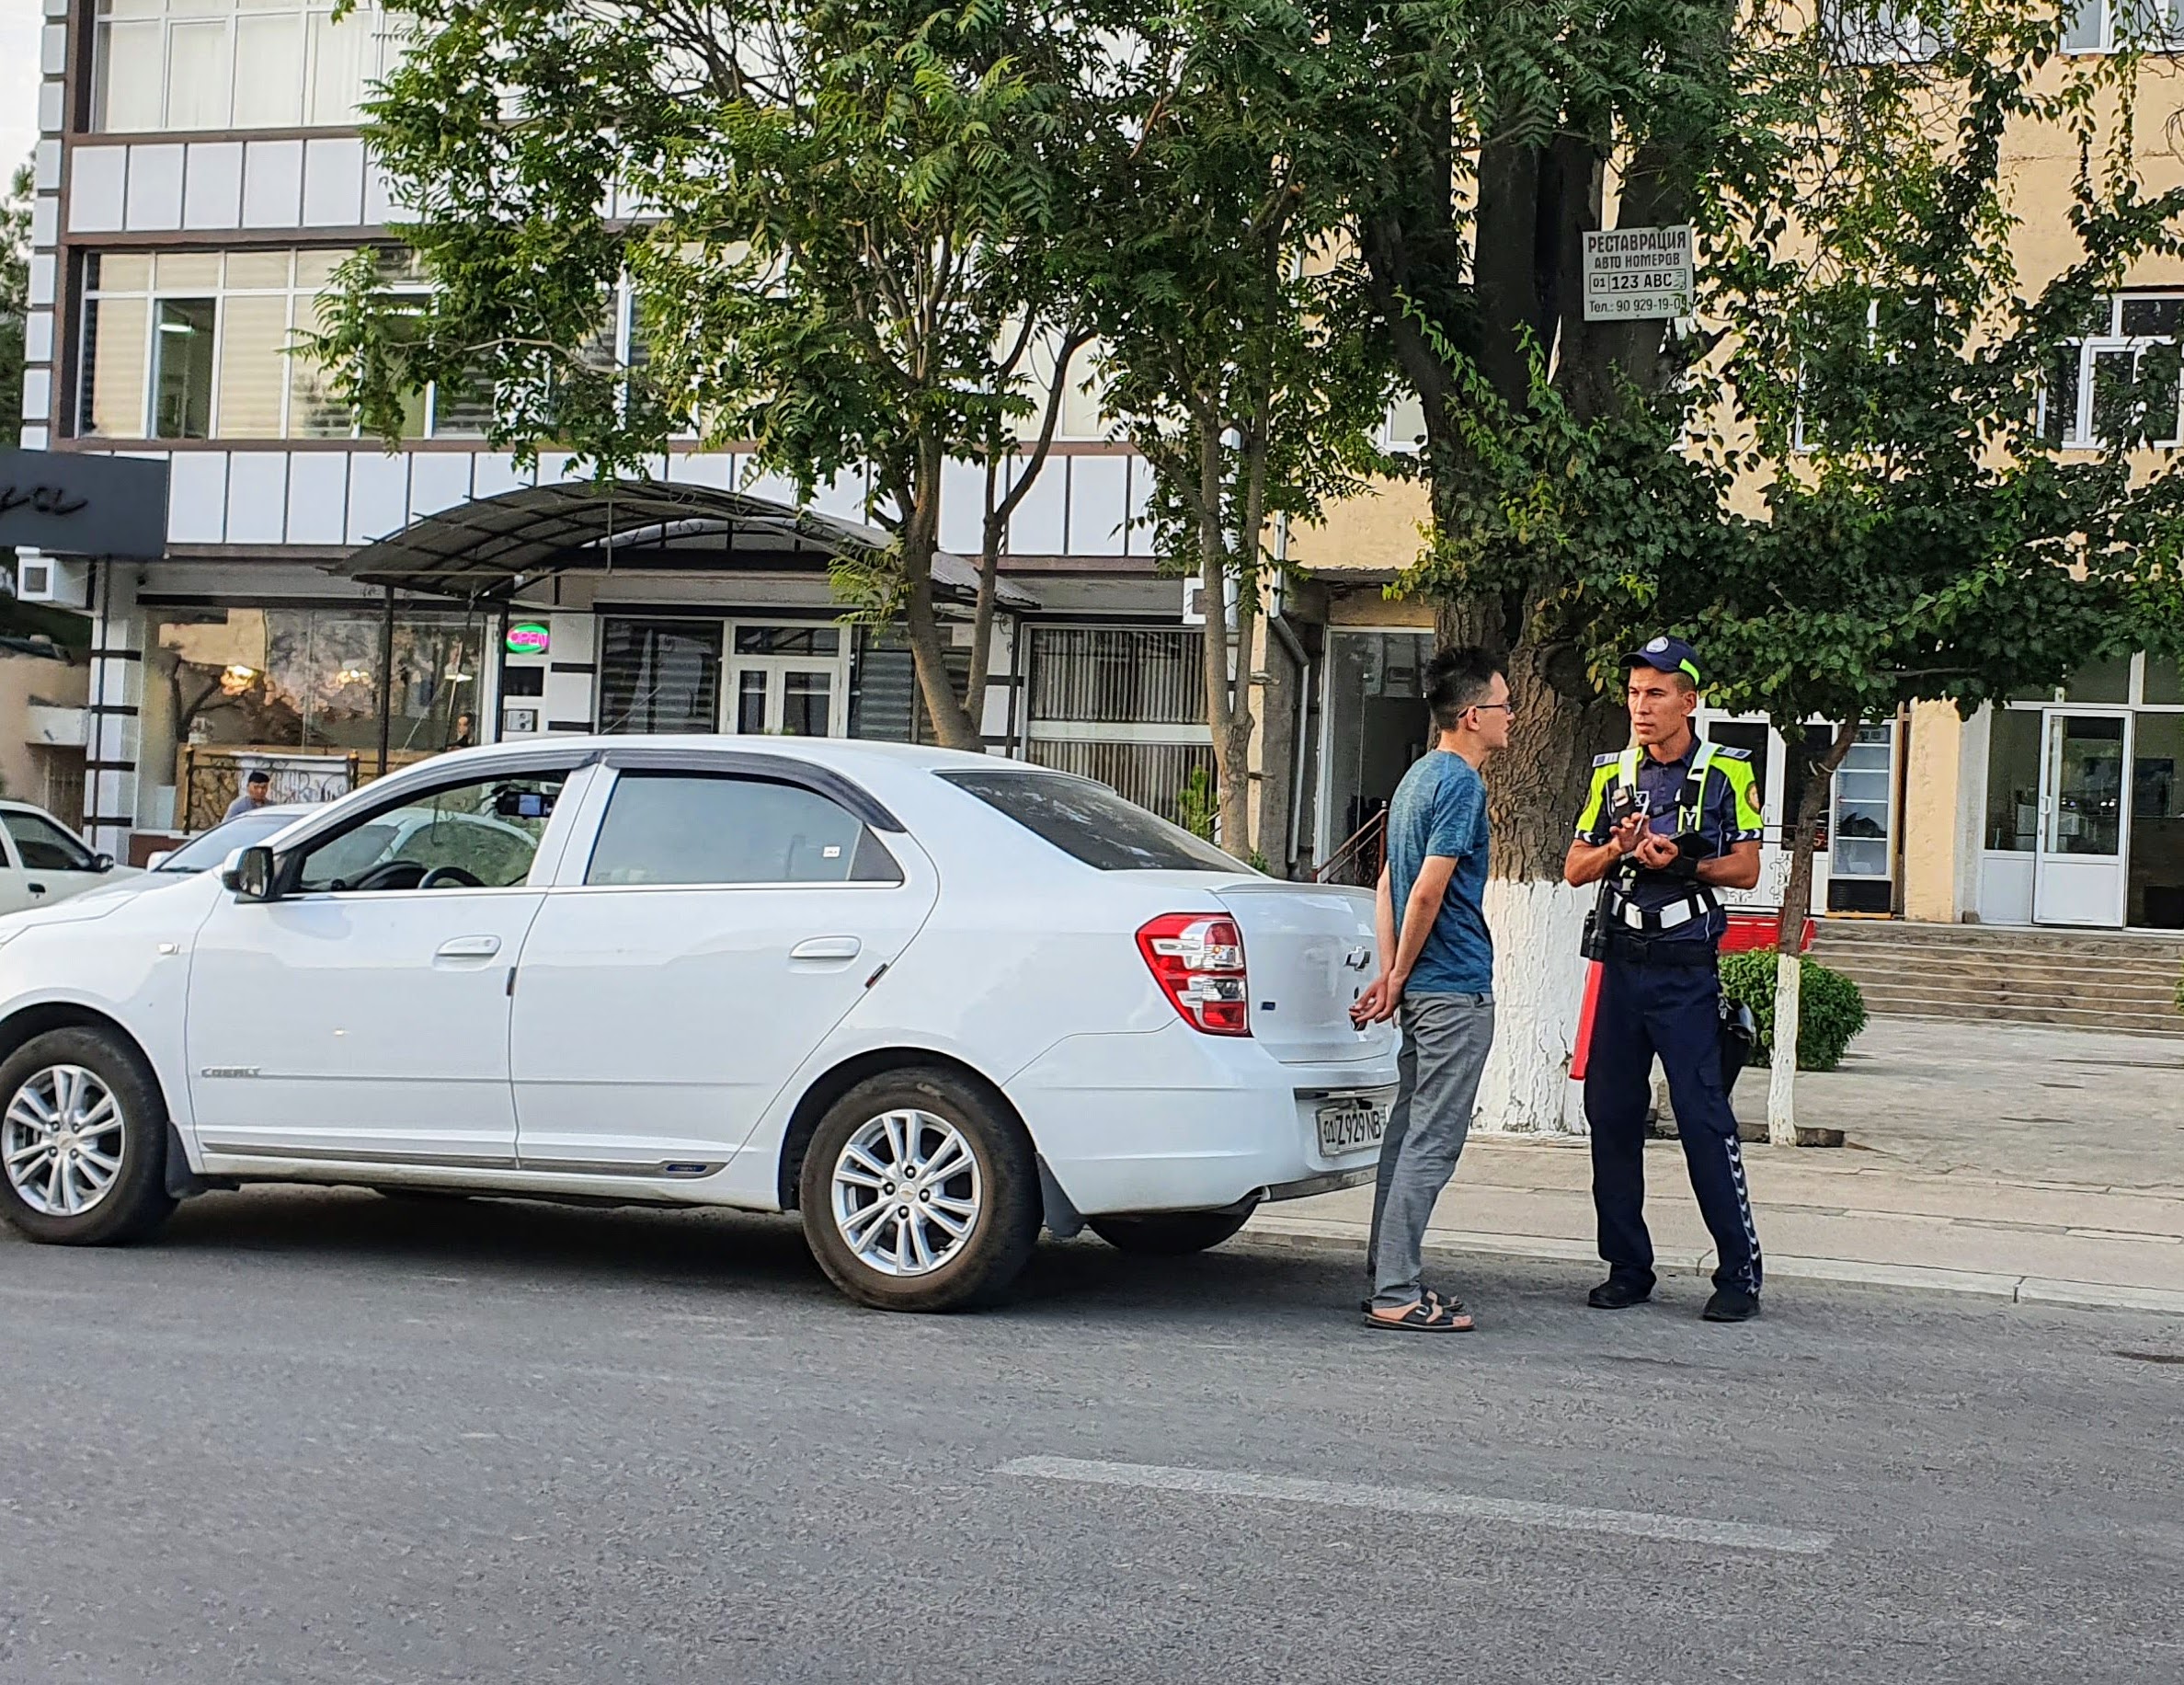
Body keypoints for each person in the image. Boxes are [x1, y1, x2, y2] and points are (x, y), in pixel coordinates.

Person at [1563, 636, 1767, 1323]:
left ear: (1689, 699)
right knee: (1609, 1118)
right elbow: (1573, 867)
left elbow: (1745, 870)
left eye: (1655, 693)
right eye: (1632, 693)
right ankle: (1627, 1266)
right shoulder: (1610, 773)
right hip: (1620, 967)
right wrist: (1618, 848)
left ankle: (1737, 1273)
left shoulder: (1724, 772)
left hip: (1685, 973)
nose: (1640, 707)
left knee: (1704, 1120)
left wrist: (1682, 865)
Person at [1349, 646, 1511, 1333]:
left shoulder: (1416, 778)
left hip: (1421, 991)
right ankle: (1396, 1292)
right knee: (1431, 1142)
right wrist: (1406, 973)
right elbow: (1425, 891)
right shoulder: (1462, 787)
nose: (1513, 717)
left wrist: (1389, 977)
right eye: (1504, 706)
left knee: (1405, 1133)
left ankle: (1387, 1274)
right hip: (1453, 992)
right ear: (1472, 716)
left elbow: (1386, 884)